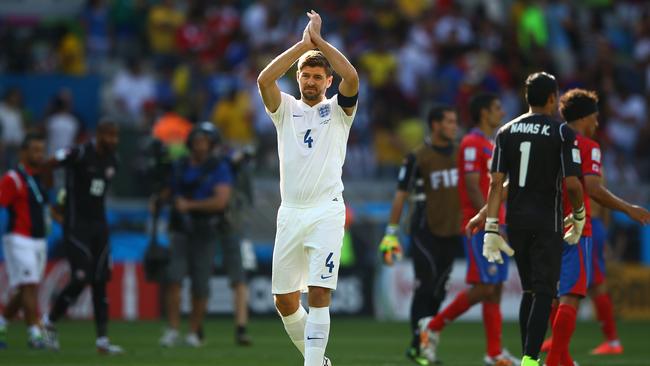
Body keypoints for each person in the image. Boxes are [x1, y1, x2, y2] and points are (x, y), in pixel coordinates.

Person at [454, 72, 586, 366]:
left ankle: (529, 357)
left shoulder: (506, 132)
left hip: (516, 222)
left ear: (526, 98)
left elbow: (497, 182)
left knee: (529, 290)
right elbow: (574, 184)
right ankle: (529, 359)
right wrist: (578, 215)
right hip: (547, 222)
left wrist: (489, 223)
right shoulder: (563, 133)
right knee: (544, 292)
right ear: (552, 98)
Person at [257, 10, 359, 366]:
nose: (311, 81)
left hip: (327, 210)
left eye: (318, 76)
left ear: (327, 81)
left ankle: (312, 364)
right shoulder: (285, 109)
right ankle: (320, 361)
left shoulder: (339, 112)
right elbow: (264, 79)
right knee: (284, 301)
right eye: (305, 74)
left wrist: (320, 42)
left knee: (318, 293)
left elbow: (352, 75)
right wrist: (301, 45)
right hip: (290, 213)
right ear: (297, 77)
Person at [542, 89, 650, 366]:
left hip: (543, 227)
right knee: (574, 294)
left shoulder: (547, 141)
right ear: (587, 116)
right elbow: (592, 188)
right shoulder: (587, 146)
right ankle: (560, 359)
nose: (598, 123)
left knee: (553, 293)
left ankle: (563, 357)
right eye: (596, 117)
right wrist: (629, 208)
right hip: (578, 226)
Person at [418, 94, 517, 365]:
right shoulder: (473, 143)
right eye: (497, 107)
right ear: (484, 112)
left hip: (496, 221)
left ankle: (494, 352)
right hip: (482, 224)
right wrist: (492, 222)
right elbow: (473, 185)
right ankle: (433, 326)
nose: (502, 111)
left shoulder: (492, 143)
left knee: (494, 288)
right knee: (485, 287)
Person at [378, 105, 461, 366]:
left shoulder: (461, 154)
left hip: (452, 230)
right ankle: (421, 344)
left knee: (439, 291)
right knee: (425, 285)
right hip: (424, 230)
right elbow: (401, 194)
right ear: (435, 125)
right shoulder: (417, 157)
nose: (454, 126)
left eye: (454, 121)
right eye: (449, 121)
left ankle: (421, 344)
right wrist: (391, 232)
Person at [41, 119, 123, 354]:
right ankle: (49, 321)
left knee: (100, 282)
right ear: (98, 134)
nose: (114, 140)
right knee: (80, 277)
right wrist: (51, 195)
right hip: (76, 227)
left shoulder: (113, 160)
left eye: (116, 136)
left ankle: (102, 342)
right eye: (109, 135)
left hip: (99, 227)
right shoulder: (78, 153)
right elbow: (50, 162)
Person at [157, 122, 233, 348]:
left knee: (201, 284)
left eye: (204, 142)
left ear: (211, 145)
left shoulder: (219, 168)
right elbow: (168, 191)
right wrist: (161, 198)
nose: (200, 146)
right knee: (174, 278)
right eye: (197, 142)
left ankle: (193, 331)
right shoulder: (180, 165)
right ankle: (172, 329)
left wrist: (189, 205)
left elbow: (221, 201)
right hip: (180, 228)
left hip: (205, 229)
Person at [0, 133, 48, 349]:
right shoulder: (13, 178)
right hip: (18, 238)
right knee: (29, 285)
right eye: (35, 150)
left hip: (39, 240)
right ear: (23, 153)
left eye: (41, 150)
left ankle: (1, 324)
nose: (40, 154)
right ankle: (35, 333)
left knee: (26, 288)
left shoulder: (40, 177)